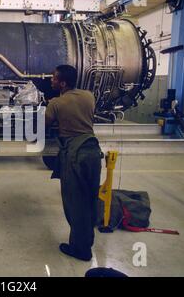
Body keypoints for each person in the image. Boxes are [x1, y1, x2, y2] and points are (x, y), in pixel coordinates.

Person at [45, 65, 102, 262]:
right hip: (93, 151)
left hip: (74, 155)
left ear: (62, 83)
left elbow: (44, 124)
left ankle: (80, 250)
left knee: (75, 203)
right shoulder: (89, 96)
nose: (50, 80)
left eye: (53, 78)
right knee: (90, 199)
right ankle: (87, 241)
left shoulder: (56, 103)